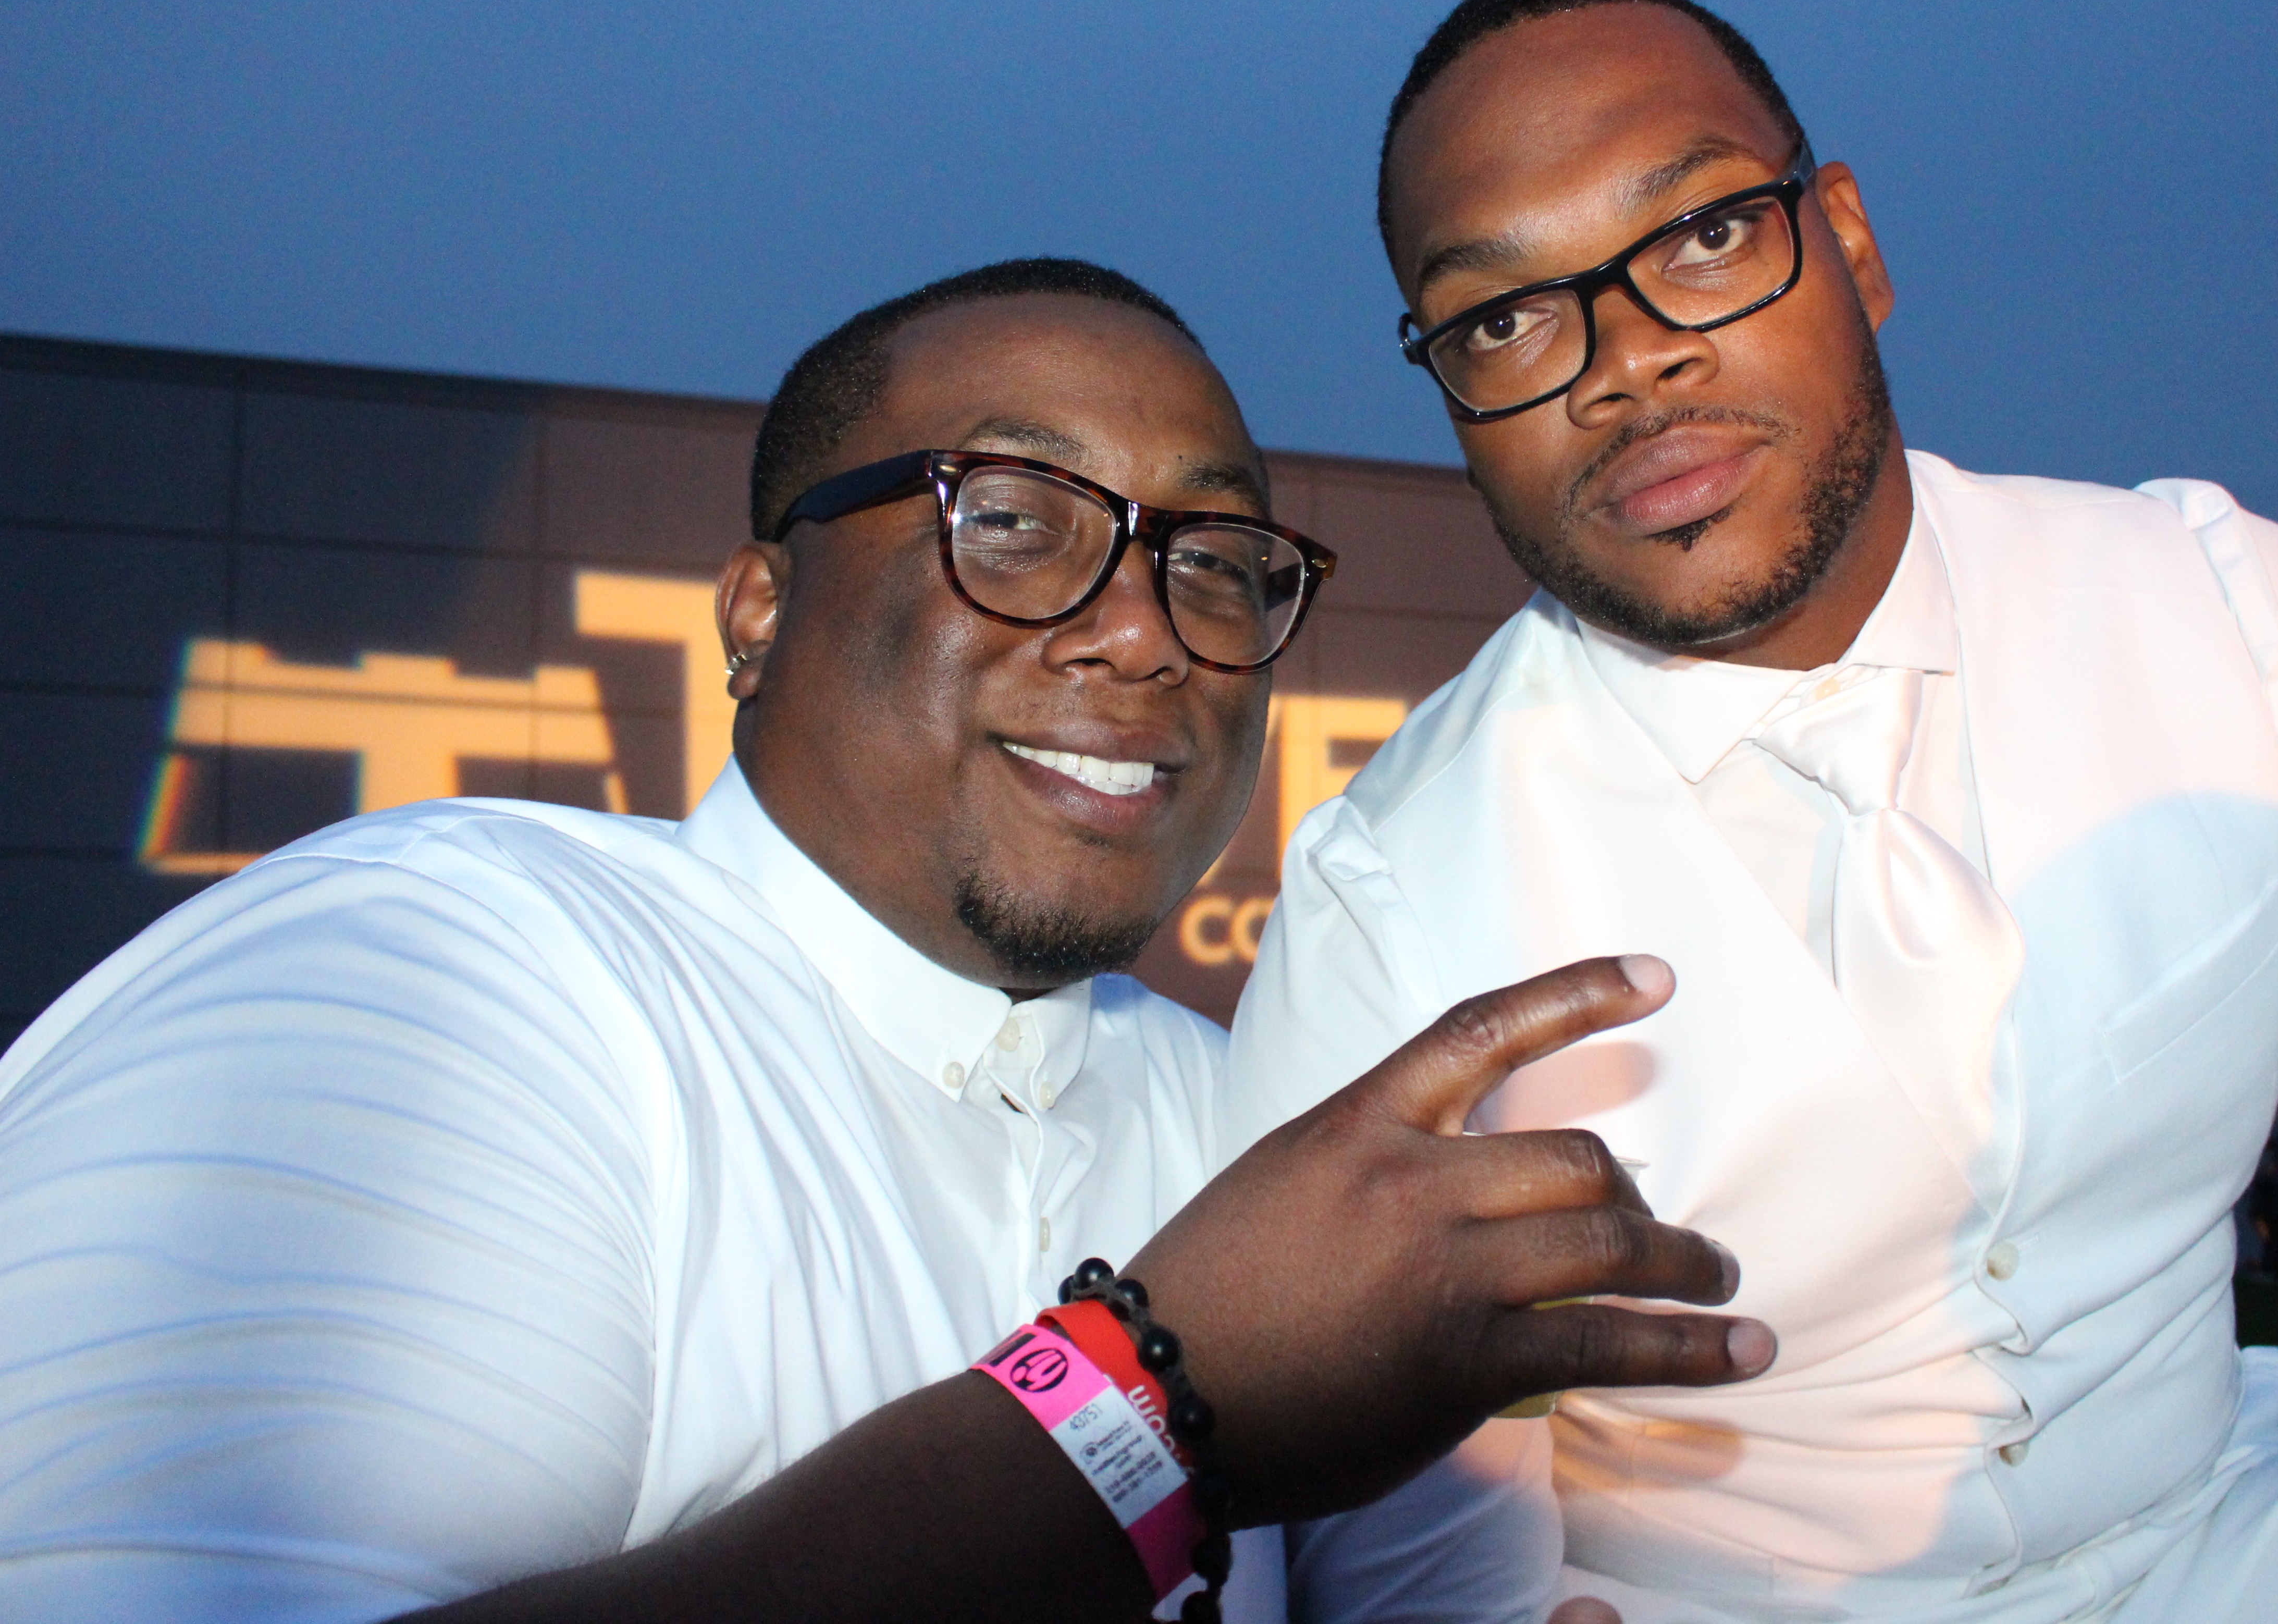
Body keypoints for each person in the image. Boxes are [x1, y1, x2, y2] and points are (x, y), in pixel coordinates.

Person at [1224, 0, 2278, 1624]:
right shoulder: (1385, 898)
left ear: (1851, 242)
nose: (1626, 360)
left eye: (1703, 233)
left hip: (2246, 1546)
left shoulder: (2248, 631)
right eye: (1502, 317)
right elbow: (1407, 1545)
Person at [0, 256, 1775, 1623]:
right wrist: (1141, 1406)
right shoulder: (448, 967)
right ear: (759, 610)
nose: (1143, 634)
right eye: (1011, 520)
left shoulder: (1240, 1116)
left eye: (1215, 561)